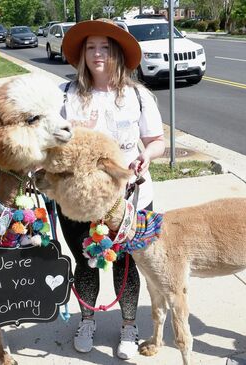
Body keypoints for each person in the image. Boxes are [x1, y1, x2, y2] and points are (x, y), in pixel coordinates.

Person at [56, 19, 166, 360]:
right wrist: (70, 131)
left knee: (127, 265)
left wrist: (146, 155)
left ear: (116, 53)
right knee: (85, 263)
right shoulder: (65, 94)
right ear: (82, 54)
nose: (97, 54)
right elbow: (49, 144)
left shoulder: (137, 96)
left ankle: (129, 326)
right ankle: (87, 319)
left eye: (104, 47)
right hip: (79, 202)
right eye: (91, 48)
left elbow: (157, 141)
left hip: (130, 200)